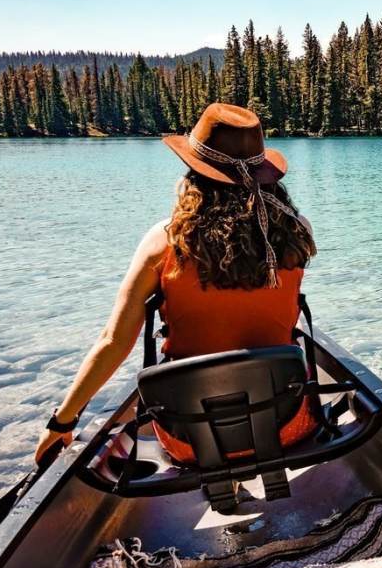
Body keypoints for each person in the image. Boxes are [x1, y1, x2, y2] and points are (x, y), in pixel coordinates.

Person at [34, 103, 318, 464]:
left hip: (190, 438)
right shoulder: (297, 230)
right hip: (285, 424)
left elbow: (113, 341)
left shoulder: (163, 241)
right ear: (263, 172)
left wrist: (62, 420)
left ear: (194, 171)